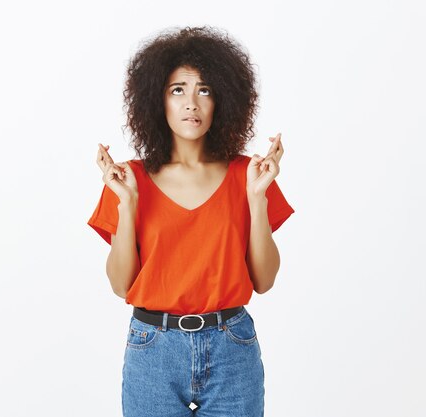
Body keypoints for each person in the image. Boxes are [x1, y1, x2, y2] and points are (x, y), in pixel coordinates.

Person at [87, 26, 295, 417]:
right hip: (153, 349)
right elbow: (121, 286)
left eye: (205, 90)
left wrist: (257, 197)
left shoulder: (247, 175)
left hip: (232, 346)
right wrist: (128, 205)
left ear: (223, 99)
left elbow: (264, 281)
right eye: (177, 89)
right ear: (156, 99)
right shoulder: (128, 178)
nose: (191, 104)